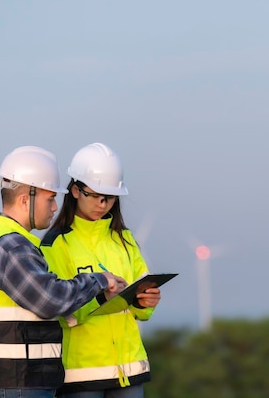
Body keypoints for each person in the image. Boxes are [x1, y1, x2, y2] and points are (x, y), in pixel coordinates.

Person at [0, 146, 127, 398]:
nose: (54, 207)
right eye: (50, 198)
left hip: (18, 379)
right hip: (15, 382)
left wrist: (101, 298)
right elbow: (51, 299)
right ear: (26, 199)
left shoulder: (14, 242)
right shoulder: (10, 246)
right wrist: (99, 279)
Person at [41, 142, 161, 398]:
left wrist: (146, 301)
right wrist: (100, 297)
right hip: (82, 374)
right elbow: (59, 310)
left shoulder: (125, 240)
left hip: (129, 370)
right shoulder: (56, 244)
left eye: (110, 197)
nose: (103, 204)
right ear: (75, 190)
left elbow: (142, 309)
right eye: (95, 195)